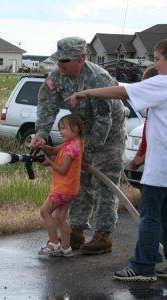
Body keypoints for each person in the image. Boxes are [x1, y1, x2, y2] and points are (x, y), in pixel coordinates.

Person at [68, 39, 167, 282]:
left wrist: (85, 92)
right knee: (163, 217)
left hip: (162, 168)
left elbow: (122, 91)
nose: (155, 65)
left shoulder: (163, 83)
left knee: (150, 217)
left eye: (157, 59)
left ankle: (143, 267)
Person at [31, 37, 126, 255]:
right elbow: (47, 107)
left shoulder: (98, 78)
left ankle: (103, 235)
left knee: (105, 184)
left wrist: (88, 152)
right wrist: (42, 135)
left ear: (80, 60)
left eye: (65, 61)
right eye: (58, 60)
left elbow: (105, 119)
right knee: (79, 182)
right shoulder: (56, 77)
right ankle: (77, 230)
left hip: (109, 136)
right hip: (81, 134)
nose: (60, 65)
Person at [38, 114, 83, 257]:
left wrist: (50, 163)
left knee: (45, 212)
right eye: (60, 129)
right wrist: (43, 146)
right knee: (61, 217)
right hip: (71, 190)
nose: (61, 132)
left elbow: (63, 169)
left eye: (64, 128)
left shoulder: (71, 149)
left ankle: (53, 243)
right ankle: (66, 247)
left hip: (62, 189)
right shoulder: (72, 144)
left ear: (75, 129)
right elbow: (52, 151)